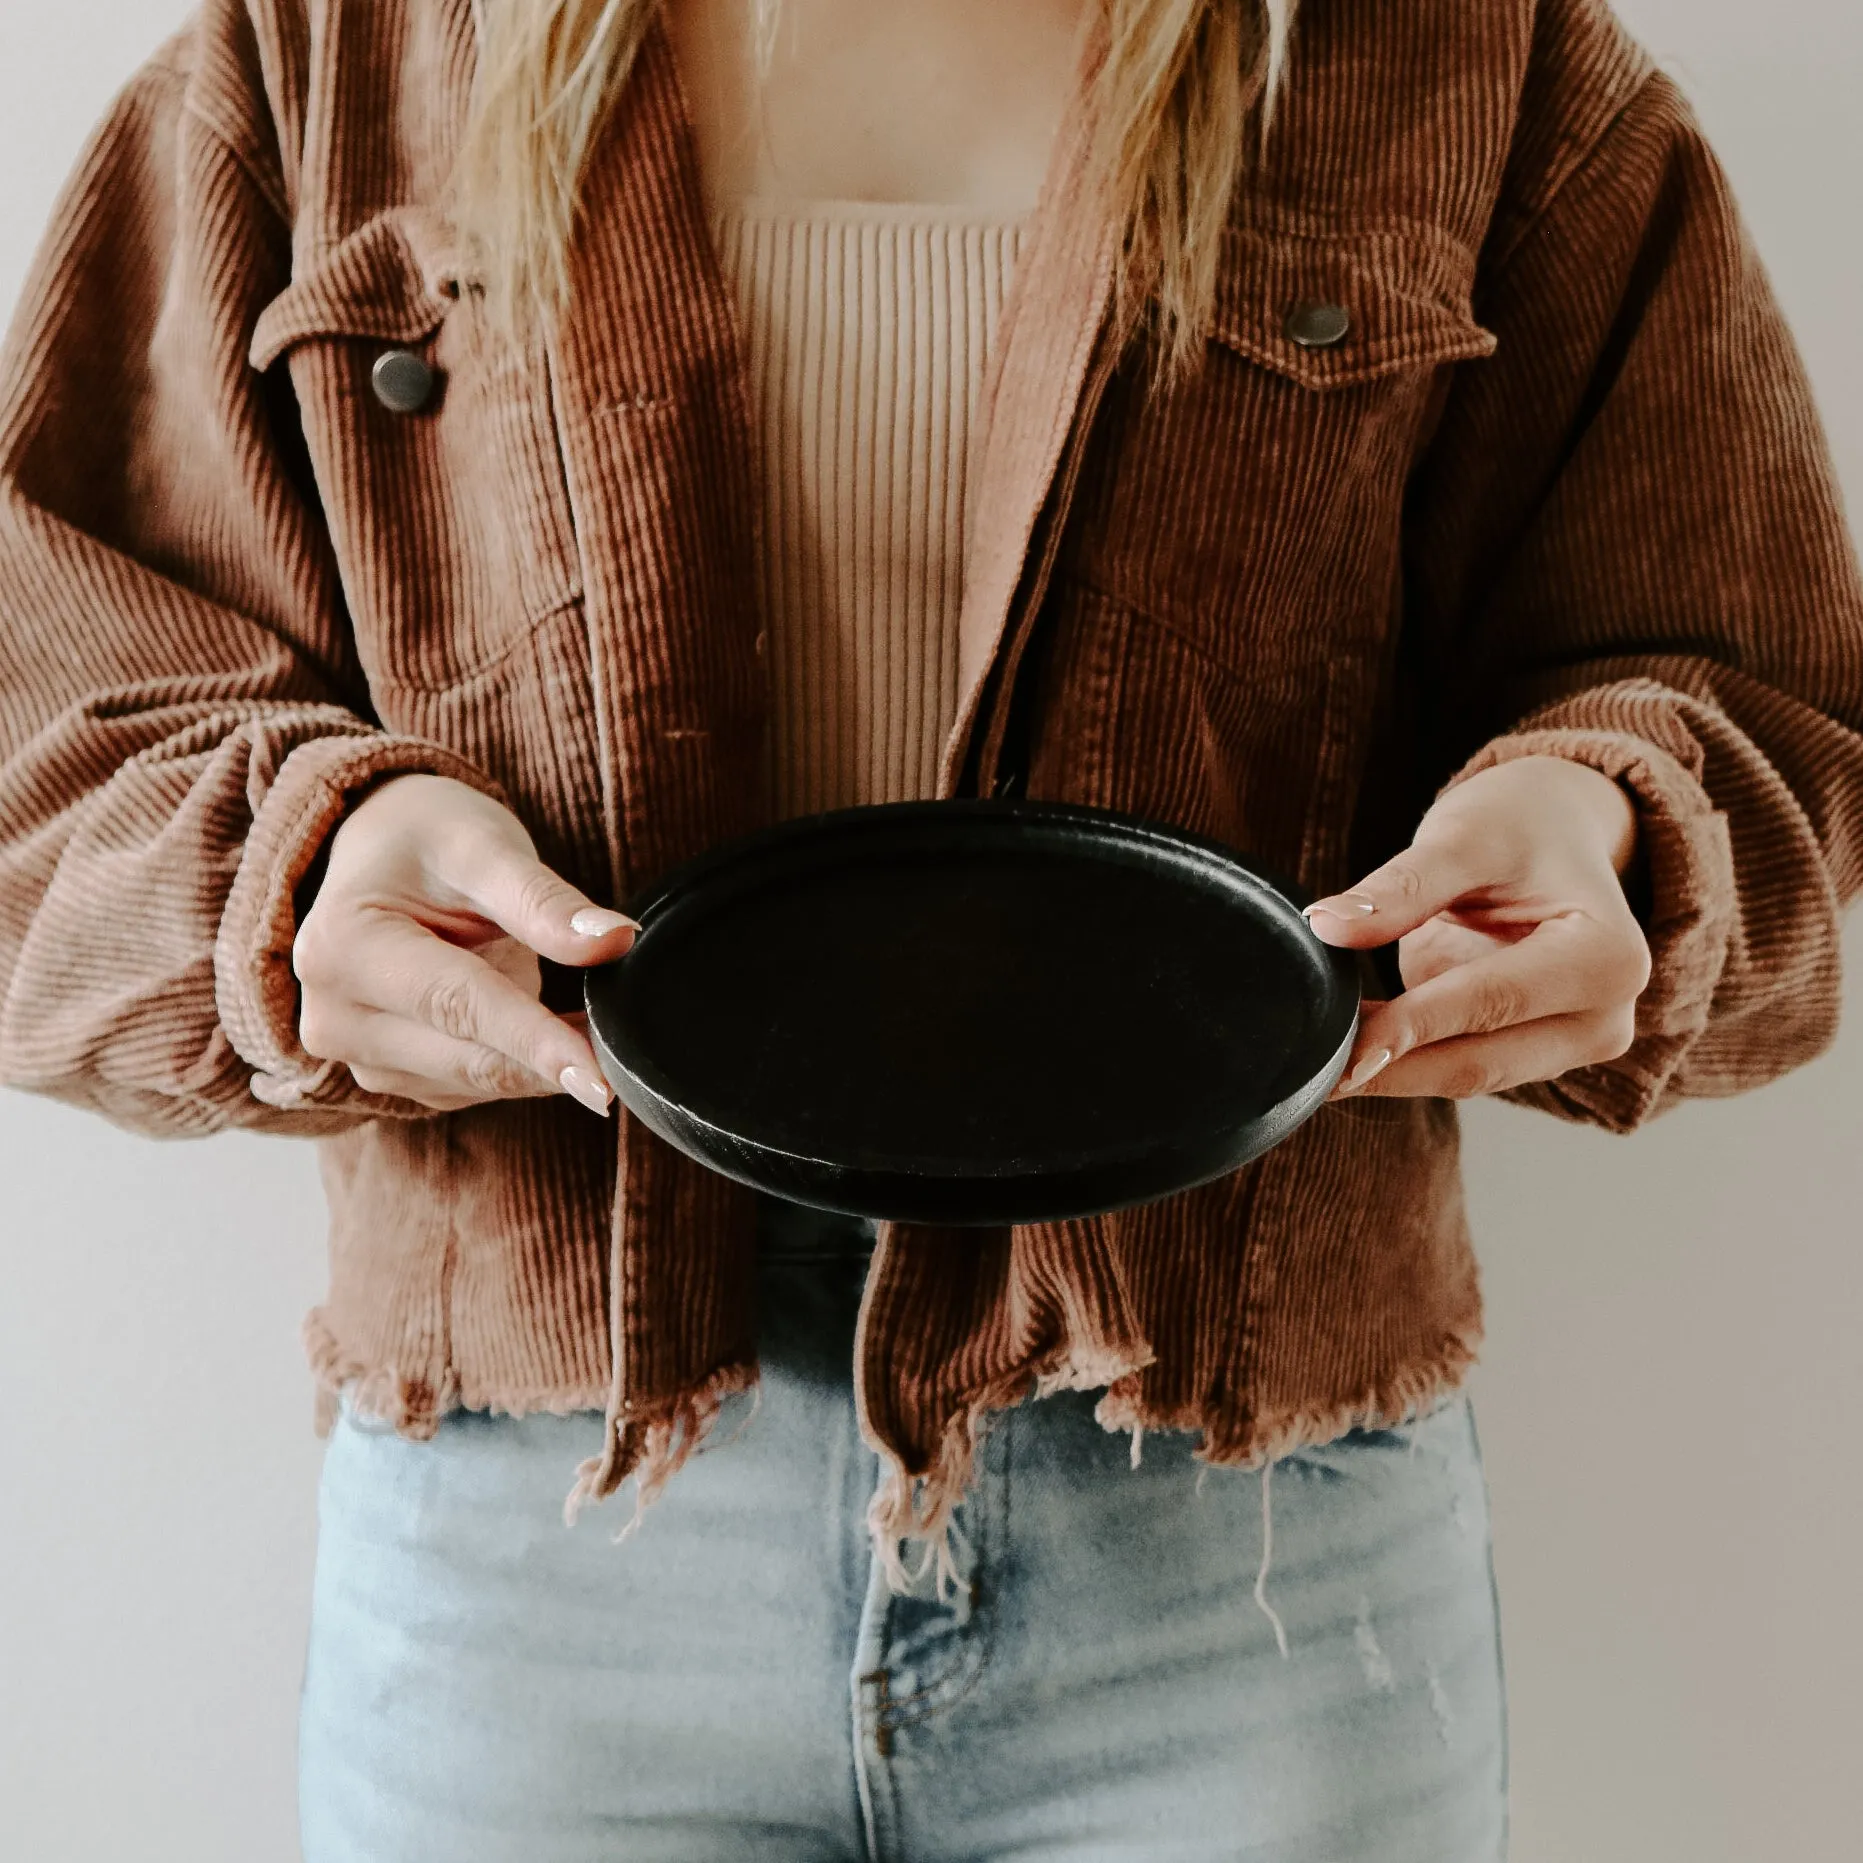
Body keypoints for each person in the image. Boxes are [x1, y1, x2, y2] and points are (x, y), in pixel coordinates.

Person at [1, 0, 1858, 1856]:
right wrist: (300, 864)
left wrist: (1610, 814)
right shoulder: (330, 59)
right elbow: (45, 726)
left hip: (1242, 1539)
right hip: (543, 1533)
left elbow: (1756, 688)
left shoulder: (1455, 58)